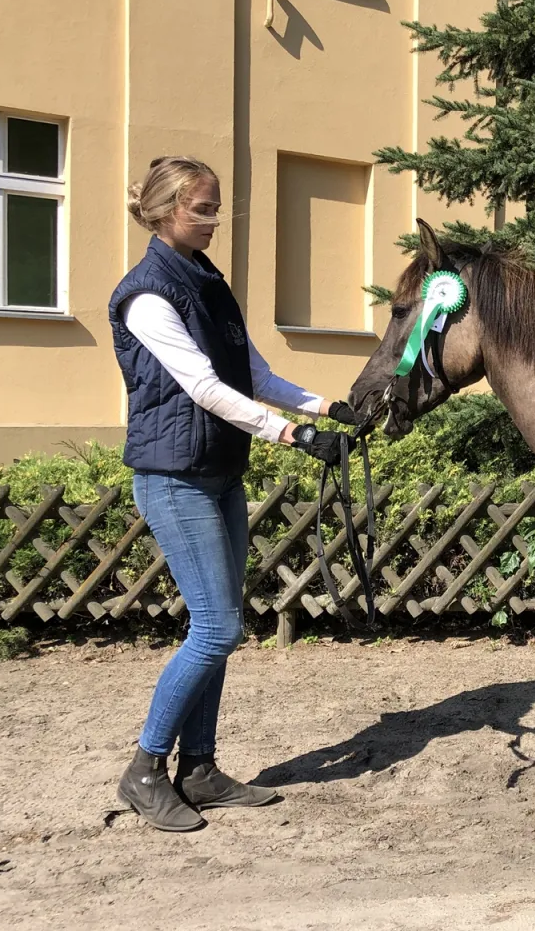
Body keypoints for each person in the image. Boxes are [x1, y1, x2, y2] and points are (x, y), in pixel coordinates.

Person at [109, 156, 354, 831]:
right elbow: (205, 389)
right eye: (203, 209)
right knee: (217, 629)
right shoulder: (148, 294)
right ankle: (145, 769)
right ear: (164, 212)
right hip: (173, 478)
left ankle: (201, 769)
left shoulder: (208, 281)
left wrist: (331, 407)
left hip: (219, 473)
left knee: (217, 629)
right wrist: (292, 435)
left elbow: (250, 370)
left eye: (217, 207)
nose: (216, 220)